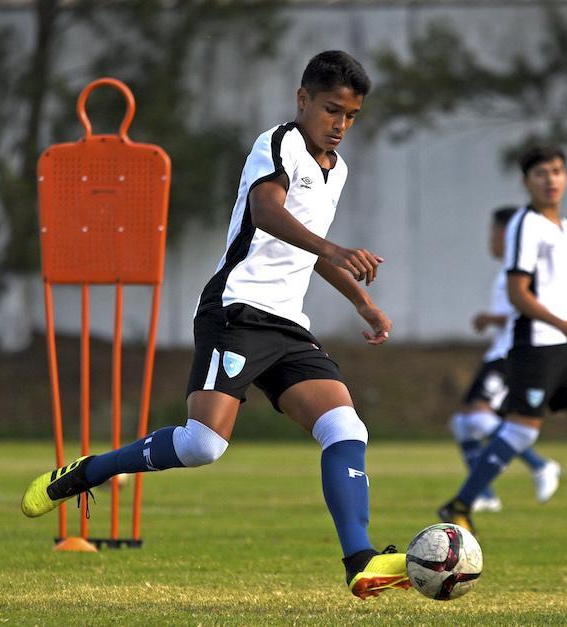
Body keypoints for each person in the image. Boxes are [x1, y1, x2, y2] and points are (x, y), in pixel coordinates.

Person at [22, 51, 411, 598]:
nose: (340, 125)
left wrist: (360, 303)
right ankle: (90, 472)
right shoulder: (279, 144)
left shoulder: (336, 169)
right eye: (331, 110)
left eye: (351, 116)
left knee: (345, 428)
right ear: (303, 100)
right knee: (205, 445)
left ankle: (361, 560)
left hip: (288, 326)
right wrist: (336, 247)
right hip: (237, 311)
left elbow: (308, 248)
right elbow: (266, 212)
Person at [438, 145, 567, 541]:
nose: (550, 179)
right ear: (526, 182)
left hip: (564, 345)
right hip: (535, 344)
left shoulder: (563, 228)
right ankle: (459, 506)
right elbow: (519, 293)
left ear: (566, 177)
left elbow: (561, 297)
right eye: (540, 173)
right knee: (521, 431)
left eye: (556, 171)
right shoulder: (526, 224)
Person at [449, 206, 561, 513]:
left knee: (477, 415)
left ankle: (541, 466)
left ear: (505, 233)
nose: (490, 240)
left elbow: (529, 306)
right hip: (498, 351)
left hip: (511, 354)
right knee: (463, 423)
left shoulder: (524, 269)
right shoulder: (506, 271)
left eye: (492, 232)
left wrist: (491, 317)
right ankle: (484, 494)